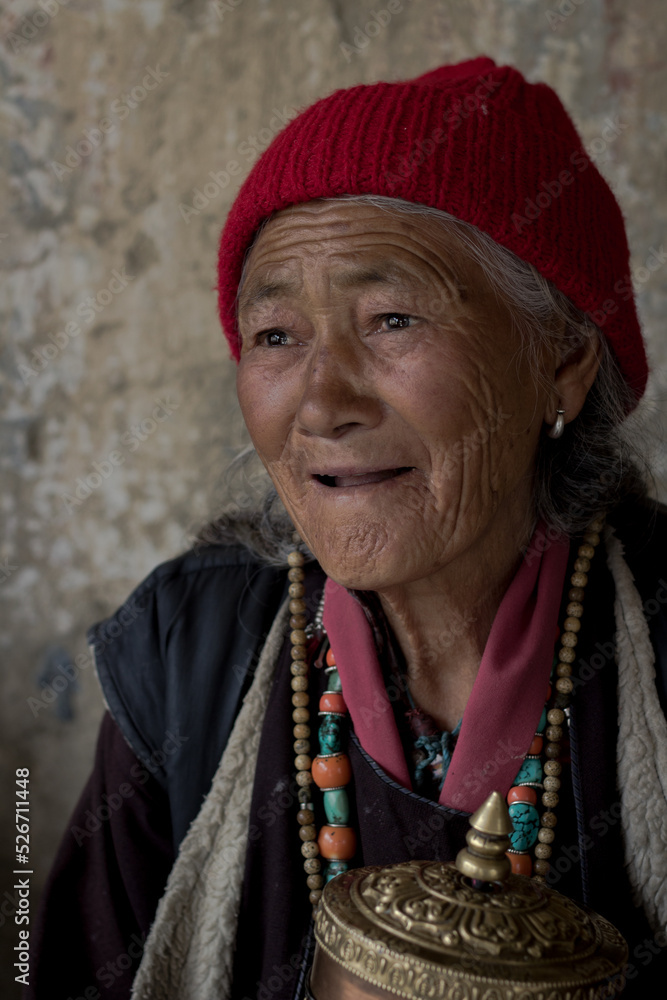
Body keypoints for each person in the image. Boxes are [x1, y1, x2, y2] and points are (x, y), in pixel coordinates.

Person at [29, 57, 667, 1000]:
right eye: (277, 336)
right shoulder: (189, 648)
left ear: (563, 363)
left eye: (391, 318)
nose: (321, 403)